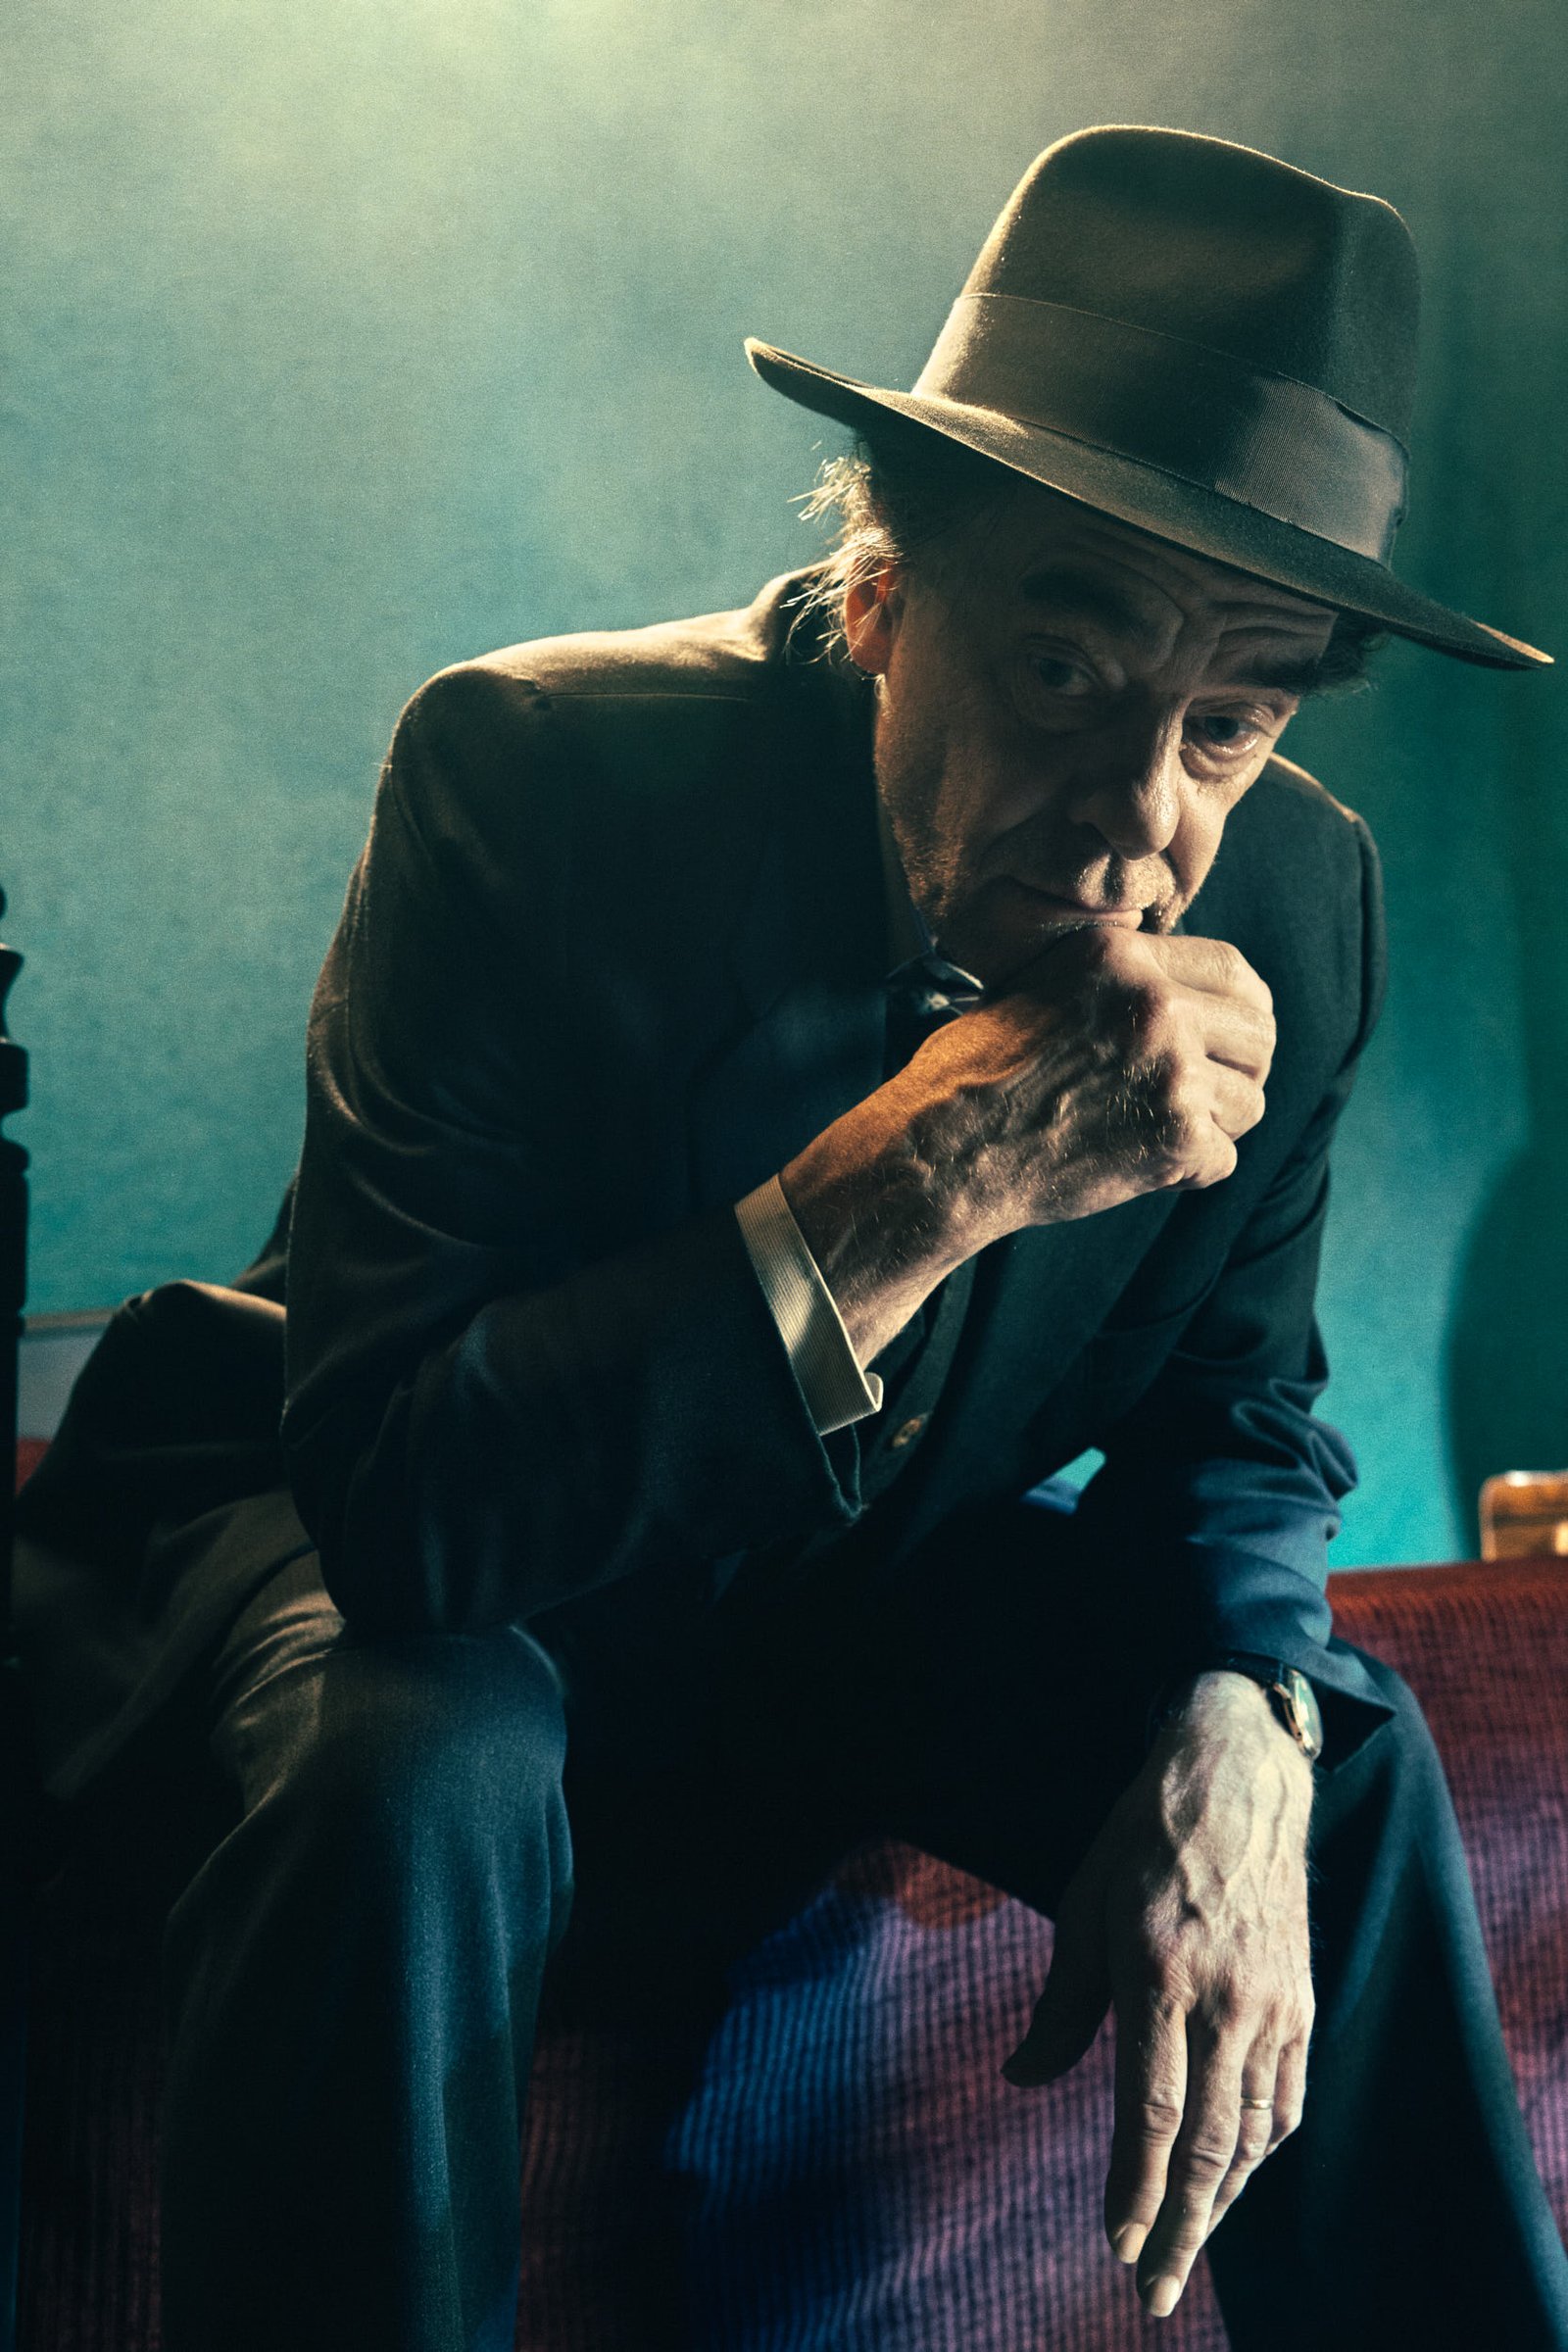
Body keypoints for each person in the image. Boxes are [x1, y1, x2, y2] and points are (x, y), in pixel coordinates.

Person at [14, 123, 1568, 2351]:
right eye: (1065, 673)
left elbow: (1239, 1417)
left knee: (1323, 1752)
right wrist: (911, 1188)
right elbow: (413, 1500)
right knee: (420, 1747)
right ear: (881, 599)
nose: (1142, 819)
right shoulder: (532, 780)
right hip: (386, 1534)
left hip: (822, 1604)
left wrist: (1242, 1705)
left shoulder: (1298, 903)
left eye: (1224, 722)